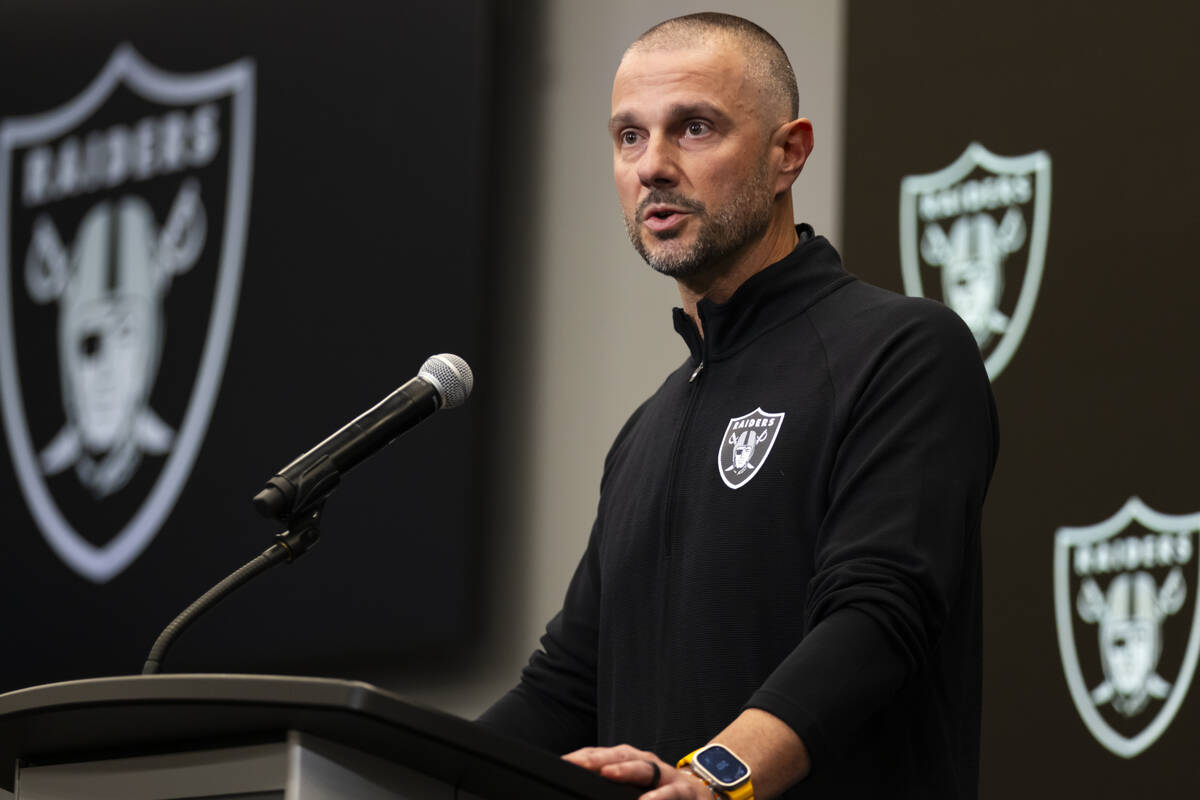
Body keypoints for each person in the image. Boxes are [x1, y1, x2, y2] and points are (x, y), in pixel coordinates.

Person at [478, 12, 998, 800]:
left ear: (787, 153)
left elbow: (877, 618)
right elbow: (567, 688)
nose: (652, 165)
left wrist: (715, 779)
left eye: (693, 128)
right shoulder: (644, 432)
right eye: (628, 136)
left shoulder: (902, 349)